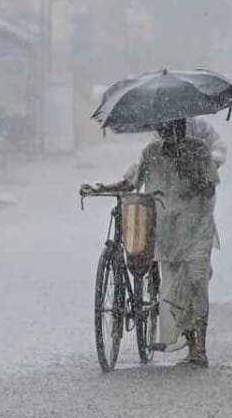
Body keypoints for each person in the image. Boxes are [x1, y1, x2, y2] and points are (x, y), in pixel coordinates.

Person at [82, 117, 219, 366]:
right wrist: (101, 188)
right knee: (174, 289)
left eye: (177, 125)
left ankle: (201, 347)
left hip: (197, 227)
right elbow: (132, 182)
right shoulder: (151, 152)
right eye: (165, 127)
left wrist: (192, 174)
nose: (171, 131)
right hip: (168, 232)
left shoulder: (199, 150)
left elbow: (210, 187)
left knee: (196, 281)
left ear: (183, 125)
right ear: (159, 129)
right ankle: (192, 343)